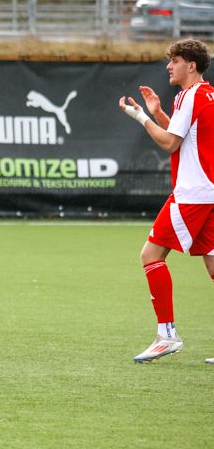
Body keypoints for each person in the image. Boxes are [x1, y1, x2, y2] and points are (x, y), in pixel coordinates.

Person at [118, 38, 214, 364]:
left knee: (150, 254)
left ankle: (167, 335)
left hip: (192, 194)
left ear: (191, 65)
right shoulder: (206, 94)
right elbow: (185, 137)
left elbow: (171, 144)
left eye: (175, 60)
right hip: (208, 192)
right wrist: (158, 112)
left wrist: (141, 117)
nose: (169, 66)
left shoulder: (189, 95)